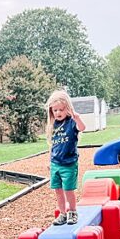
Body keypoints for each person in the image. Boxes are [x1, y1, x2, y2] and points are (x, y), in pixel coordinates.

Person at [45, 90, 86, 225]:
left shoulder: (71, 122)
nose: (58, 113)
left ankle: (72, 212)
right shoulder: (52, 125)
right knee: (58, 190)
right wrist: (49, 161)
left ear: (67, 108)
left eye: (61, 109)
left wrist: (77, 118)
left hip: (69, 163)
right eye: (55, 110)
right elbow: (52, 145)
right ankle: (62, 213)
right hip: (55, 163)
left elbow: (82, 127)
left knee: (68, 190)